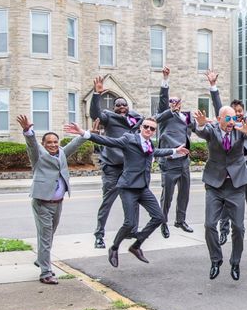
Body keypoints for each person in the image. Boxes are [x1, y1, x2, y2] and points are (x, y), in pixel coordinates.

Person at [64, 118, 187, 267]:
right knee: (129, 223)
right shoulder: (129, 139)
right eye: (146, 127)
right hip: (128, 187)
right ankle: (114, 248)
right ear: (141, 127)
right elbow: (108, 141)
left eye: (152, 129)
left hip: (142, 187)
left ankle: (136, 245)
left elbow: (156, 152)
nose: (148, 130)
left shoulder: (149, 144)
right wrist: (84, 133)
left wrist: (175, 151)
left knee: (159, 217)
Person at [17, 114, 86, 284]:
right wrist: (27, 130)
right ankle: (46, 273)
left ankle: (41, 259)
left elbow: (75, 144)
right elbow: (31, 144)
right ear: (44, 144)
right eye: (49, 142)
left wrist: (85, 133)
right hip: (42, 203)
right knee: (46, 237)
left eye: (55, 142)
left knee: (48, 235)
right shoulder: (38, 155)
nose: (53, 145)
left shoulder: (62, 152)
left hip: (58, 203)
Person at [205, 70, 247, 246]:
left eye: (240, 111)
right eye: (235, 112)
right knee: (226, 201)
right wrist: (213, 87)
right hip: (228, 169)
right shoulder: (227, 125)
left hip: (246, 167)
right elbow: (218, 107)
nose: (238, 114)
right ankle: (224, 231)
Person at [193, 107, 247, 281]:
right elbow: (202, 131)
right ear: (219, 119)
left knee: (238, 227)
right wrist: (200, 124)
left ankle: (235, 262)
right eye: (227, 118)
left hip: (236, 186)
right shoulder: (212, 131)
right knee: (210, 225)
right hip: (214, 185)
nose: (231, 122)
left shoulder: (239, 130)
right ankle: (216, 260)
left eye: (233, 118)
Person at [90, 77, 143, 249]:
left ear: (128, 107)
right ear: (113, 107)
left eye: (124, 105)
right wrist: (97, 94)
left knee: (132, 201)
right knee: (108, 201)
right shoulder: (108, 118)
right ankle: (99, 235)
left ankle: (133, 230)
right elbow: (94, 114)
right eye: (118, 105)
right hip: (112, 167)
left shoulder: (136, 120)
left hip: (129, 169)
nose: (121, 107)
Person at [155, 66, 196, 238]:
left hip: (184, 161)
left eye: (176, 101)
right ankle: (163, 222)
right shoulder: (164, 117)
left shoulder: (186, 117)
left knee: (184, 193)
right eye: (171, 101)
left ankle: (180, 220)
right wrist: (165, 81)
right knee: (168, 196)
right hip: (170, 162)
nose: (173, 104)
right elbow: (163, 101)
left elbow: (195, 128)